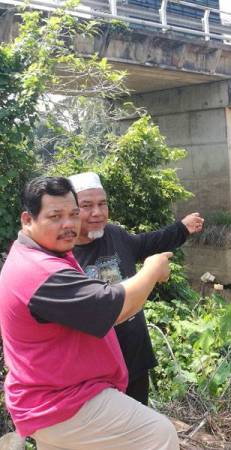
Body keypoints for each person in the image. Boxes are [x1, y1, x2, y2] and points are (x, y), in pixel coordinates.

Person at [0, 176, 179, 449]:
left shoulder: (41, 255)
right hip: (63, 401)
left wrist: (183, 228)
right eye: (55, 216)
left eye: (73, 215)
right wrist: (152, 270)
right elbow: (116, 306)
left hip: (51, 396)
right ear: (27, 220)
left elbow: (146, 243)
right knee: (159, 433)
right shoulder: (41, 272)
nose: (69, 224)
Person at [68, 171, 204, 405]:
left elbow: (148, 242)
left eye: (102, 204)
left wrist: (181, 228)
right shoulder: (64, 257)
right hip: (95, 373)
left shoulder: (114, 234)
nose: (97, 212)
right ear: (71, 211)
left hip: (135, 358)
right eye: (87, 206)